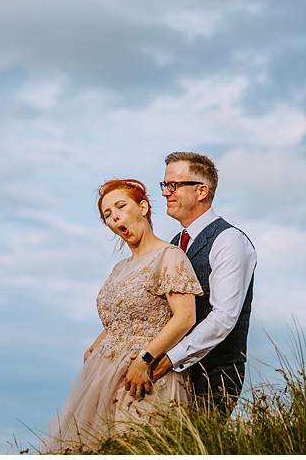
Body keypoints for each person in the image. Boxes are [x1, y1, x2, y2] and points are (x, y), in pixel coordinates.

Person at [43, 179, 203, 452]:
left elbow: (185, 317)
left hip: (145, 376)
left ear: (142, 207)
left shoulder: (169, 256)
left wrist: (145, 359)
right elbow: (123, 316)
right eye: (107, 215)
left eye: (120, 206)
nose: (114, 216)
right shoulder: (119, 268)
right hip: (104, 374)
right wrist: (97, 343)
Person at [127, 152, 257, 419]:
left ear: (201, 191)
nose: (165, 193)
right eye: (165, 186)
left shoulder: (229, 240)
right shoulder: (175, 243)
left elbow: (223, 317)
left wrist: (168, 359)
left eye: (174, 185)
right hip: (169, 373)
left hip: (214, 375)